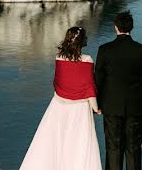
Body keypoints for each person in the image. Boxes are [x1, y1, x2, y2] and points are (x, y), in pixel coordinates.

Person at [19, 26, 102, 170]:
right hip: (79, 109)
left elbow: (58, 82)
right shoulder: (87, 60)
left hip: (58, 105)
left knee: (54, 143)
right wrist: (96, 108)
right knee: (77, 145)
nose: (88, 39)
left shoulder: (58, 58)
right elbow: (89, 88)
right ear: (81, 41)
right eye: (86, 37)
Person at [95, 10, 142, 170]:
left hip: (111, 106)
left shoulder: (105, 49)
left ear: (116, 27)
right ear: (131, 28)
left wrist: (97, 103)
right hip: (136, 106)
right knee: (133, 147)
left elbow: (99, 78)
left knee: (113, 147)